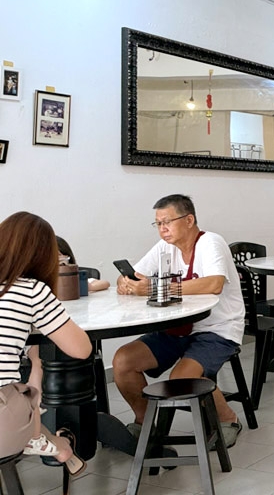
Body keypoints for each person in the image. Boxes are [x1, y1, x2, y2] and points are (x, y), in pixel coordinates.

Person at [112, 194, 245, 448]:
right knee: (123, 361)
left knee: (180, 378)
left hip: (217, 329)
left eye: (167, 222)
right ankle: (146, 424)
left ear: (189, 220)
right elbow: (138, 275)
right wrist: (126, 282)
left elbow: (214, 283)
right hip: (176, 328)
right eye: (158, 223)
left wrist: (155, 289)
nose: (162, 229)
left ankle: (228, 419)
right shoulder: (165, 247)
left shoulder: (211, 243)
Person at [0, 212, 91, 474]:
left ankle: (47, 439)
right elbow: (81, 349)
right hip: (3, 422)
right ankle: (45, 439)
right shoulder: (31, 290)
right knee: (30, 380)